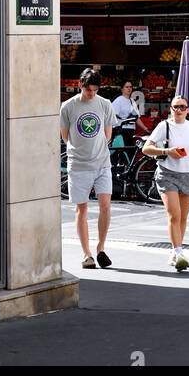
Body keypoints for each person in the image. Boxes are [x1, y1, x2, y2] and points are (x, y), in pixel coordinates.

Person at [143, 95, 189, 272]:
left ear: (188, 110)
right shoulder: (164, 126)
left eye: (182, 107)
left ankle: (176, 251)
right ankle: (179, 252)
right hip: (167, 174)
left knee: (183, 217)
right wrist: (168, 151)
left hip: (187, 175)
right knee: (174, 215)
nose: (179, 110)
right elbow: (146, 148)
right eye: (175, 107)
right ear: (170, 109)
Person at [59, 68, 115, 269]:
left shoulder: (105, 104)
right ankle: (86, 253)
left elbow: (108, 134)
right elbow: (65, 136)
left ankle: (100, 247)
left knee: (105, 206)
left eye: (94, 90)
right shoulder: (68, 106)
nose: (91, 93)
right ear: (80, 86)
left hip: (102, 162)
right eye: (88, 89)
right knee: (81, 208)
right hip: (79, 164)